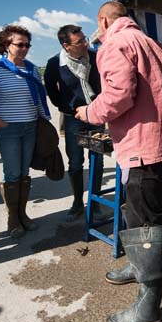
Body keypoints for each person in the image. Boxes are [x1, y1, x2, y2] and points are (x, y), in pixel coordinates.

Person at [75, 1, 162, 322]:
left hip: (143, 145)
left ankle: (148, 305)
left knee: (145, 221)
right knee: (142, 210)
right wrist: (161, 106)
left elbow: (118, 96)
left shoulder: (114, 43)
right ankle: (139, 267)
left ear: (103, 21)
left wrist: (88, 113)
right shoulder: (151, 43)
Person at [0, 25, 50, 239]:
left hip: (30, 126)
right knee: (12, 173)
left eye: (27, 45)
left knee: (24, 173)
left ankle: (23, 214)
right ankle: (13, 217)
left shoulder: (31, 69)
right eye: (19, 44)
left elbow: (38, 98)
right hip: (8, 129)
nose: (24, 48)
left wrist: (43, 121)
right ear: (6, 45)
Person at [43, 24, 105, 222]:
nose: (85, 44)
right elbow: (50, 87)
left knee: (98, 159)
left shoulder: (94, 57)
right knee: (76, 162)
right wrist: (64, 106)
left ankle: (95, 201)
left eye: (84, 39)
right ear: (66, 45)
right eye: (79, 42)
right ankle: (78, 202)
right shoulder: (55, 63)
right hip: (74, 120)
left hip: (96, 116)